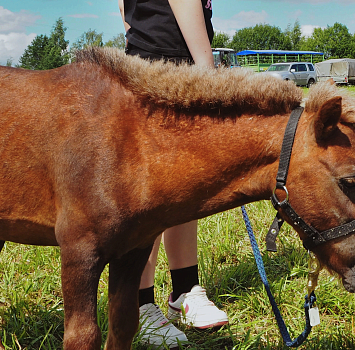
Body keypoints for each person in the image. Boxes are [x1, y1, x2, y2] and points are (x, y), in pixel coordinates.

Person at [118, 0, 229, 348]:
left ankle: (184, 289)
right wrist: (207, 75)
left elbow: (124, 8)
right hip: (171, 71)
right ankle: (141, 305)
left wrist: (140, 40)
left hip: (151, 62)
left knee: (184, 189)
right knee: (150, 198)